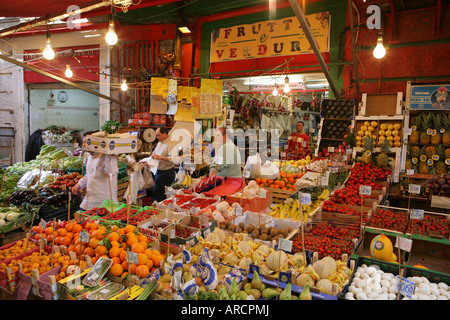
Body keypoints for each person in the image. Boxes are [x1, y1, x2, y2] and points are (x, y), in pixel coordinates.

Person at [149, 127, 176, 202]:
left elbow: (173, 159)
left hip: (167, 173)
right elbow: (154, 154)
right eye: (156, 135)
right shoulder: (159, 143)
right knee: (156, 193)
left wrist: (161, 157)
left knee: (165, 196)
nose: (157, 137)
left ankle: (164, 211)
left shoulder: (171, 144)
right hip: (159, 171)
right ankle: (155, 210)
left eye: (158, 135)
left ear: (164, 134)